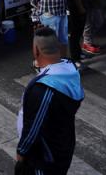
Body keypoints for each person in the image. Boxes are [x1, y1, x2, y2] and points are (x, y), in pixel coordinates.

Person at [16, 26, 84, 175]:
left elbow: (33, 127)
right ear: (58, 47)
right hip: (64, 144)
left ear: (36, 51)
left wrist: (21, 153)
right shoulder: (70, 68)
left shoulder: (42, 90)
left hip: (45, 158)